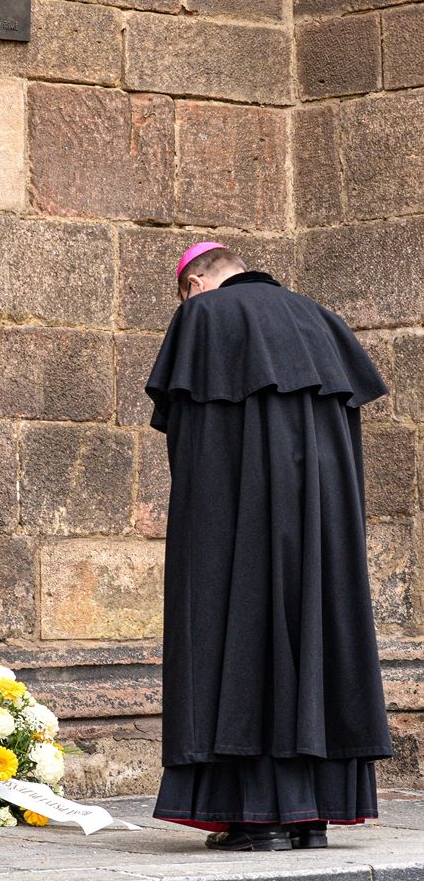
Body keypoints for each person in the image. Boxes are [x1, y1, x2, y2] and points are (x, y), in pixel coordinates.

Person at [144, 241, 393, 853]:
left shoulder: (202, 317)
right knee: (314, 630)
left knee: (239, 626)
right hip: (321, 521)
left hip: (237, 511)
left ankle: (257, 817)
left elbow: (190, 436)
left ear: (194, 285)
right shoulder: (317, 317)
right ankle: (312, 816)